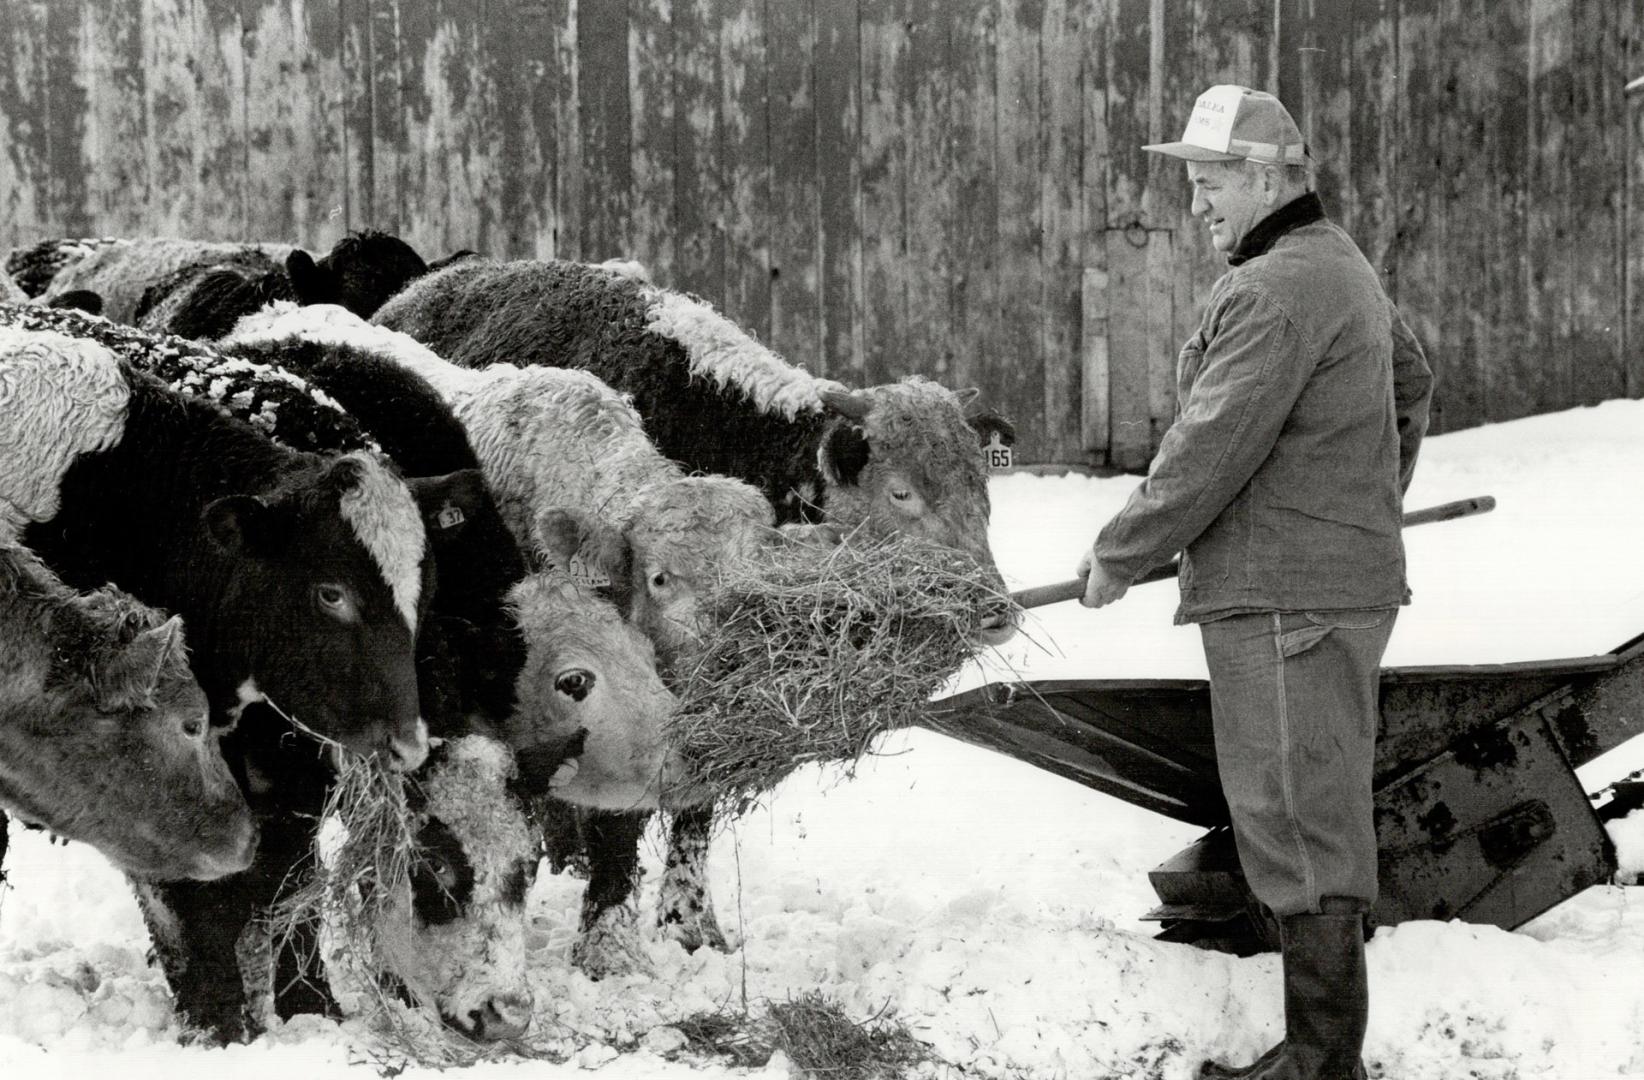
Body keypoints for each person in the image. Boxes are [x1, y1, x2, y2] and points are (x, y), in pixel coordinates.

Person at [1076, 85, 1433, 1080]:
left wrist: (1120, 550)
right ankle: (1321, 1055)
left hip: (1282, 598)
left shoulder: (1275, 286)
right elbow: (1413, 382)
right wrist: (1357, 504)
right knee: (1304, 804)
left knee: (1295, 816)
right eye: (1193, 177)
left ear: (1275, 172)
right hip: (1322, 581)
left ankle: (1322, 1064)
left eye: (1214, 176)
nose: (1197, 199)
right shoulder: (1340, 266)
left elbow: (1208, 448)